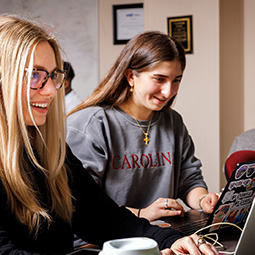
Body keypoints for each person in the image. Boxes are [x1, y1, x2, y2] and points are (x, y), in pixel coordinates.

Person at [0, 15, 218, 255]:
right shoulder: (91, 123)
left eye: (53, 76)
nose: (52, 90)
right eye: (35, 75)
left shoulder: (49, 149)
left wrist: (169, 240)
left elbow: (106, 219)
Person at [66, 31, 220, 224]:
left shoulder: (173, 122)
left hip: (161, 233)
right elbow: (81, 205)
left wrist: (203, 199)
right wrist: (142, 214)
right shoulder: (90, 124)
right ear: (131, 76)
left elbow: (188, 179)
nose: (168, 92)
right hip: (104, 241)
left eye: (176, 80)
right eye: (159, 79)